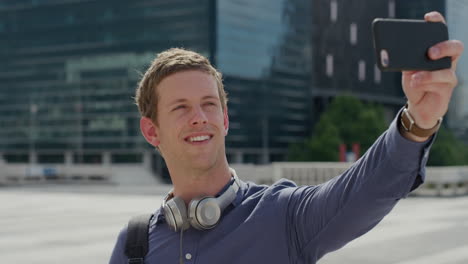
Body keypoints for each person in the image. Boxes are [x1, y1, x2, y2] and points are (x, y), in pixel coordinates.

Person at [109, 11, 463, 264]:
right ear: (151, 131)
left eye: (208, 104)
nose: (200, 117)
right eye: (181, 108)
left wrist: (419, 119)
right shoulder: (133, 246)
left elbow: (364, 191)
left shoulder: (284, 216)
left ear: (225, 118)